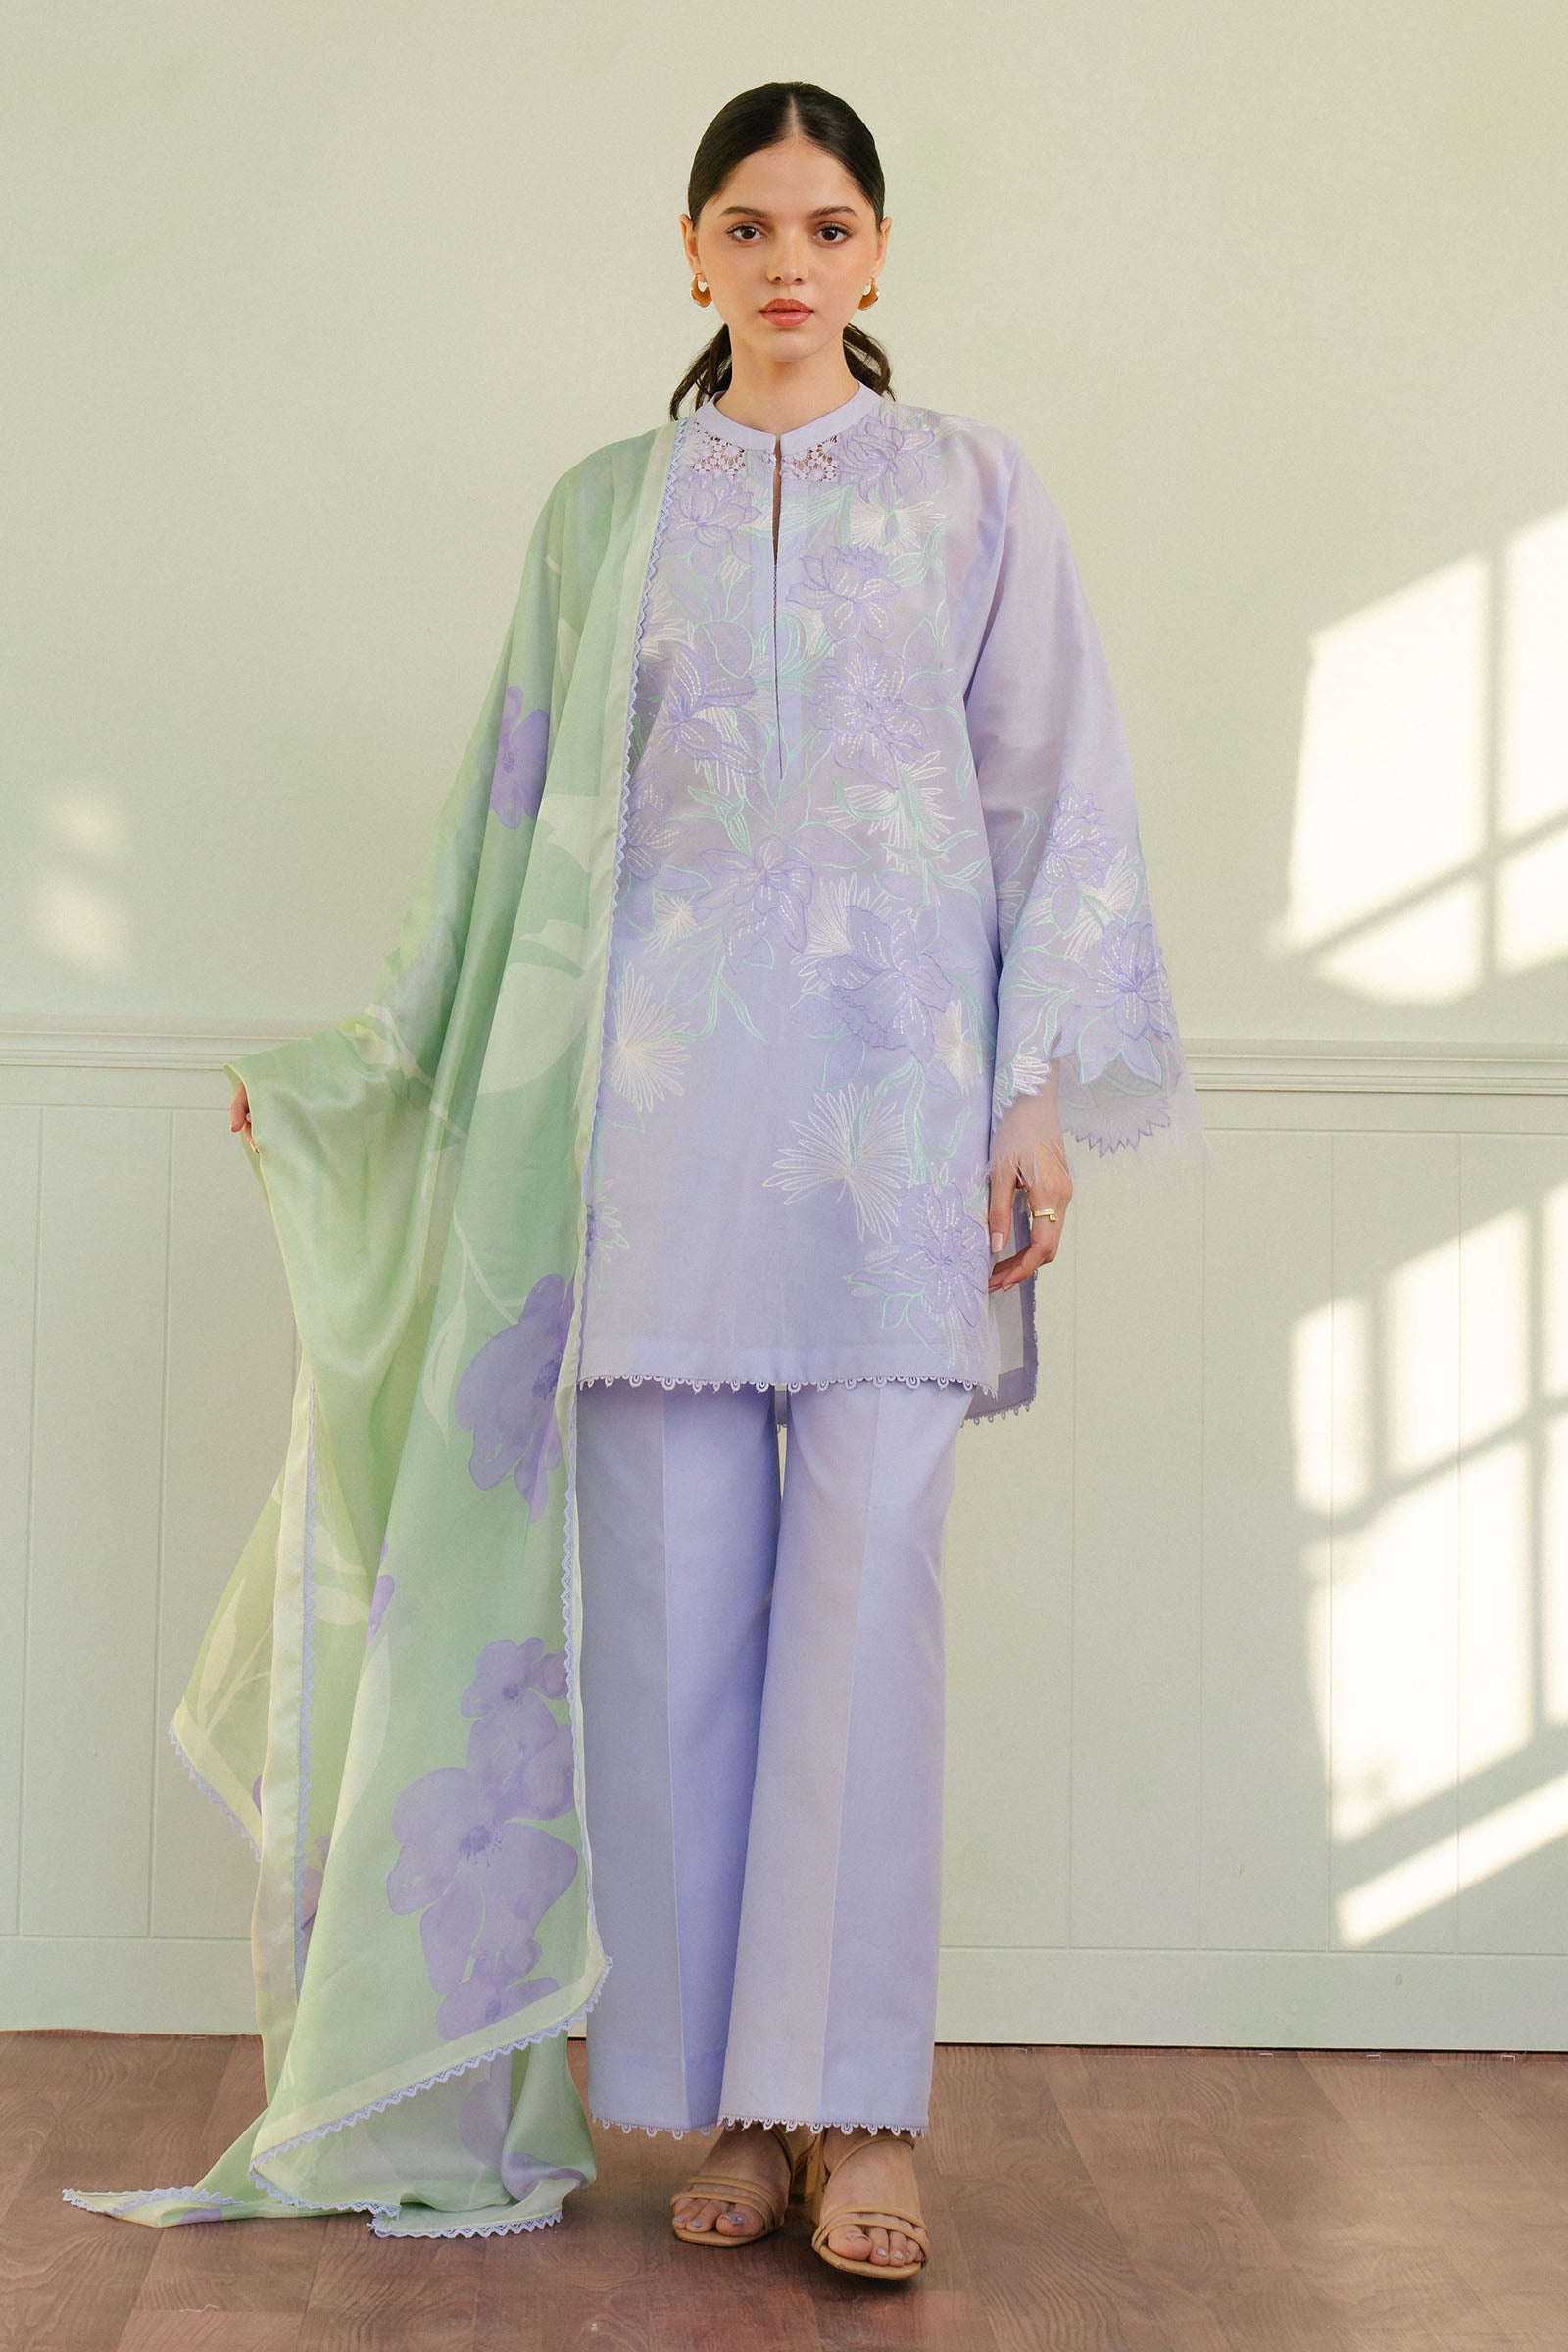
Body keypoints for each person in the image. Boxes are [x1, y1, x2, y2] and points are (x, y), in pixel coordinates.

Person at [66, 81, 1204, 2280]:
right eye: (749, 225)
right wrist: (378, 1063)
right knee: (672, 1634)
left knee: (866, 1625)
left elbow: (1053, 798)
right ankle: (723, 2109)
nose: (789, 263)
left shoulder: (972, 493)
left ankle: (858, 2111)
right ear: (690, 250)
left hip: (893, 1144)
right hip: (648, 1145)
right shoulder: (606, 511)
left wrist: (1031, 1096)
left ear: (878, 255)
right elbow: (507, 817)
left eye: (829, 225)